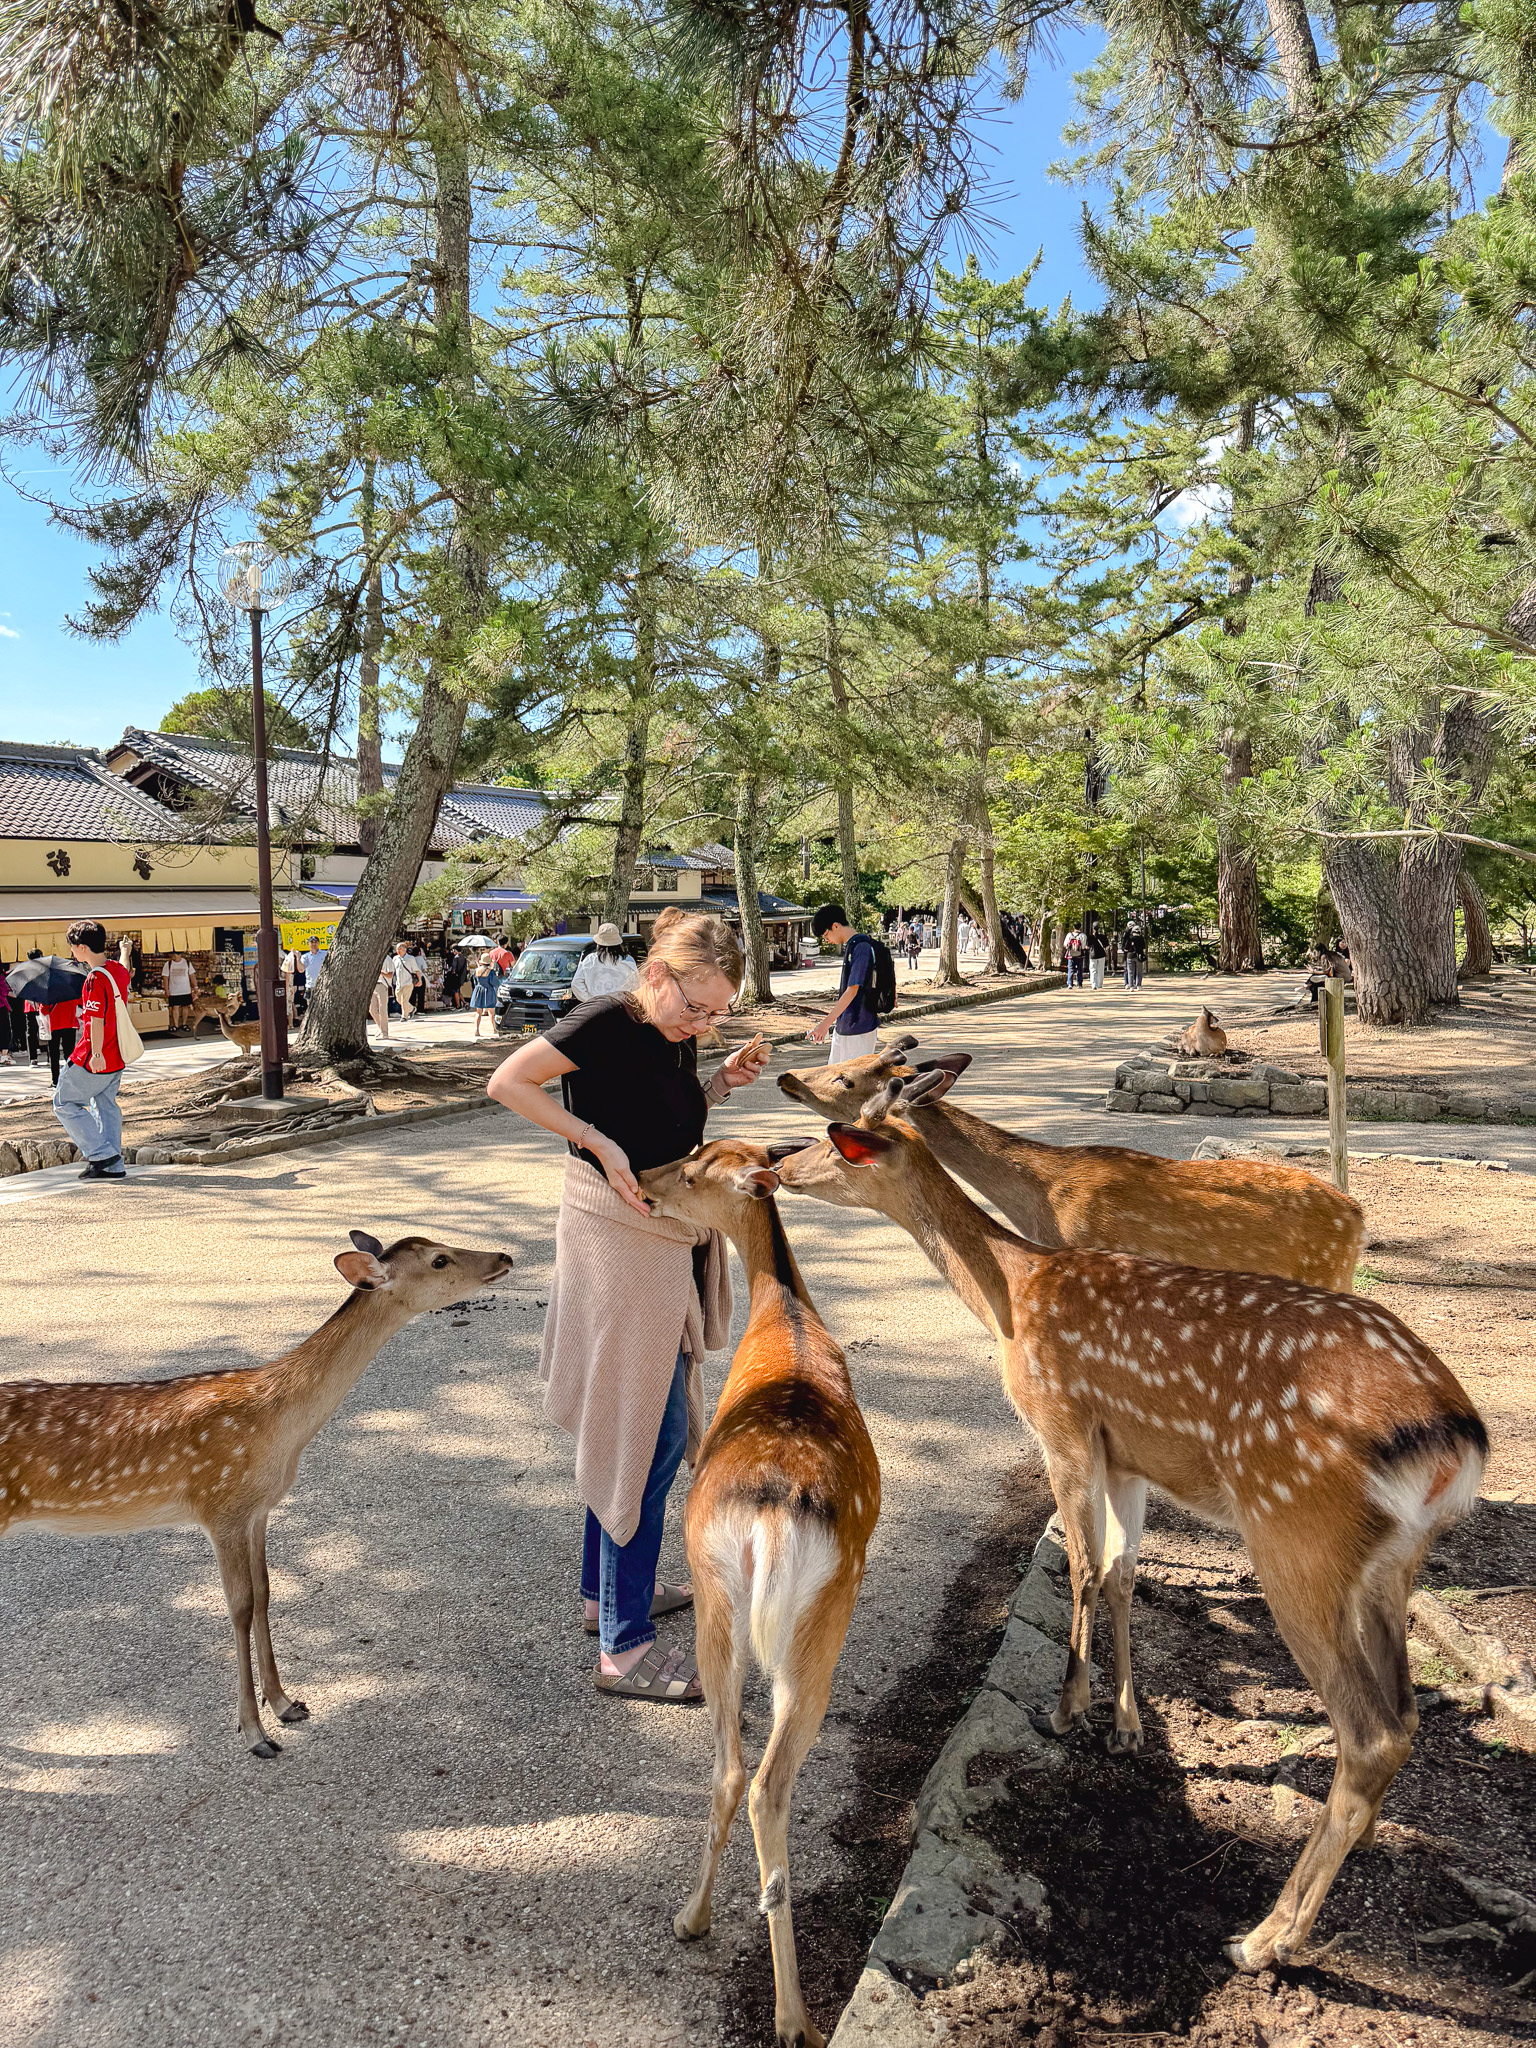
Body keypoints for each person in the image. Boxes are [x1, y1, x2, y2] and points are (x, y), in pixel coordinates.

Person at [486, 908, 770, 1703]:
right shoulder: (607, 1019)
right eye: (697, 1007)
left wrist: (718, 1081)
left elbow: (660, 1119)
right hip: (617, 1227)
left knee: (634, 1420)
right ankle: (623, 1649)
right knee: (645, 1432)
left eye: (720, 1013)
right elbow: (507, 1082)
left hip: (658, 1225)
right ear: (656, 976)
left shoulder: (672, 1040)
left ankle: (605, 1598)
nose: (706, 1023)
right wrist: (596, 1142)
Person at [52, 919, 133, 1181]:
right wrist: (125, 952)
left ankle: (100, 1155)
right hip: (118, 1054)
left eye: (73, 947)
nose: (72, 952)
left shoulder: (95, 979)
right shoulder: (116, 971)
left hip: (93, 1056)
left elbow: (95, 1020)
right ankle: (113, 1164)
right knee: (106, 1105)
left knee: (64, 1103)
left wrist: (96, 1054)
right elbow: (124, 968)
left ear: (82, 947)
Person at [807, 903, 882, 1063]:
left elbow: (852, 990)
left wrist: (825, 1024)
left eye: (825, 935)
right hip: (847, 1025)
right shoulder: (853, 946)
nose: (827, 940)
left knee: (852, 1081)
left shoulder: (861, 948)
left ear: (835, 926)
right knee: (834, 1078)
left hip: (859, 1026)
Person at [571, 925, 639, 1003]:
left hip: (596, 1007)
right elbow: (636, 986)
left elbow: (576, 984)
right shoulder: (628, 961)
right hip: (620, 1007)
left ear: (598, 943)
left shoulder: (589, 960)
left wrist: (589, 1000)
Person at [46, 986, 79, 1085]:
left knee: (54, 1054)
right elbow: (79, 1003)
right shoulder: (72, 989)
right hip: (69, 1022)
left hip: (53, 1024)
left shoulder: (49, 990)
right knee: (70, 1053)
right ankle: (71, 1078)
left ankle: (55, 1080)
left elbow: (44, 1008)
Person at [163, 949, 198, 1032]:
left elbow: (192, 976)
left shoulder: (187, 963)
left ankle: (184, 1023)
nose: (173, 957)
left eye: (175, 955)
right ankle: (176, 1025)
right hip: (174, 990)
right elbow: (165, 977)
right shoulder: (168, 964)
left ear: (180, 955)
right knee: (175, 1007)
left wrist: (195, 986)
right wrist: (166, 989)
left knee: (185, 1007)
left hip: (185, 989)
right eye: (173, 955)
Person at [469, 949, 502, 1037]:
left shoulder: (476, 971)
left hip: (478, 991)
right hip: (488, 991)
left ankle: (476, 1030)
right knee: (492, 1012)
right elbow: (495, 983)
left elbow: (474, 982)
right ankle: (494, 1029)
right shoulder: (490, 972)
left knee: (478, 1012)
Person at [391, 942, 420, 1021]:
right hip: (399, 983)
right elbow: (393, 970)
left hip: (408, 982)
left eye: (399, 949)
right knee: (399, 999)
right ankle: (411, 1009)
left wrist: (419, 980)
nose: (397, 951)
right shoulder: (395, 958)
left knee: (404, 1000)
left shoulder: (410, 958)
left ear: (404, 949)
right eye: (396, 949)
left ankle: (404, 1016)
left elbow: (416, 970)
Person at [369, 960, 393, 1039]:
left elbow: (390, 975)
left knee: (382, 1009)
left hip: (382, 985)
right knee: (372, 1010)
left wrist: (380, 972)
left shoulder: (388, 959)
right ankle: (380, 1028)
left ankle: (384, 1032)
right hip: (372, 985)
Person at [442, 945, 469, 1010]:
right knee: (458, 990)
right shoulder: (464, 958)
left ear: (456, 950)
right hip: (462, 976)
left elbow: (453, 969)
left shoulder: (456, 958)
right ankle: (465, 1002)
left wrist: (449, 972)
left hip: (456, 977)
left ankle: (458, 1005)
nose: (453, 951)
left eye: (453, 950)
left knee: (455, 991)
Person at [1123, 922, 1147, 990]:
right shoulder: (1141, 938)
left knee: (1130, 972)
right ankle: (1138, 985)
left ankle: (1131, 986)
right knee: (1139, 971)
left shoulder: (1130, 938)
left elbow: (1125, 948)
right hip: (1139, 956)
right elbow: (1144, 948)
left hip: (1130, 956)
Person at [1087, 926, 1107, 991]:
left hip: (1093, 955)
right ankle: (1099, 984)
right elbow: (1107, 947)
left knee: (1093, 970)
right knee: (1100, 970)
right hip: (1101, 955)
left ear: (1093, 929)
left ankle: (1093, 984)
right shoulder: (1103, 936)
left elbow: (1087, 946)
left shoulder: (1090, 937)